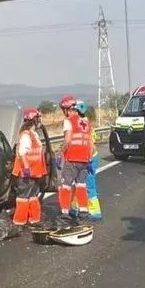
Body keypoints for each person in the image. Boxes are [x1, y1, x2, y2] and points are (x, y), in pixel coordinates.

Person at [56, 95, 93, 227]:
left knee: (65, 186)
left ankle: (64, 216)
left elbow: (67, 139)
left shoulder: (69, 121)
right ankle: (83, 215)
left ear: (67, 109)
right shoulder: (86, 123)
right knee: (81, 186)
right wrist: (89, 159)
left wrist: (61, 153)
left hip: (72, 158)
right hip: (85, 159)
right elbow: (91, 143)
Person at [12, 108, 48, 227]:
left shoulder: (34, 134)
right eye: (38, 118)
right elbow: (22, 153)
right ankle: (20, 221)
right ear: (34, 120)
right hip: (26, 172)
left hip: (34, 172)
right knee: (23, 197)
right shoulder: (26, 135)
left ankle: (34, 219)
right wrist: (26, 167)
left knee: (33, 196)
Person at [69, 100, 102, 221]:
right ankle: (75, 208)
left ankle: (94, 212)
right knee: (80, 185)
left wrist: (88, 159)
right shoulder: (84, 123)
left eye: (73, 110)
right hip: (88, 158)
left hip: (88, 159)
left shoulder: (83, 125)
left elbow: (90, 144)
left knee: (88, 186)